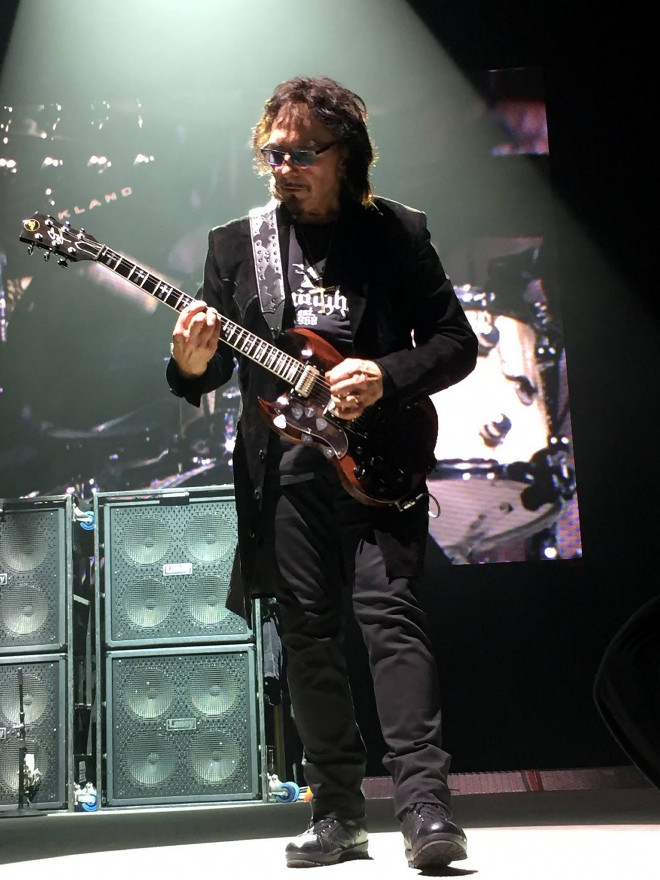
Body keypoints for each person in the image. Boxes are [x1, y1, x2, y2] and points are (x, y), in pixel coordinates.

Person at [167, 75, 478, 870]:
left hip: (377, 462)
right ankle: (338, 813)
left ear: (347, 155)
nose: (285, 168)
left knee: (391, 623)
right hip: (284, 476)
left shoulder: (396, 234)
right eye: (273, 154)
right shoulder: (236, 246)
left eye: (302, 154)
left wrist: (385, 374)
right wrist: (190, 364)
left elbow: (455, 342)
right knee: (306, 639)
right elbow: (208, 371)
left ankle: (425, 810)